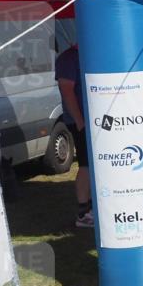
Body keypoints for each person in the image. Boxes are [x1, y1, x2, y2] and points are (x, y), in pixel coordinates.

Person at [54, 45, 92, 228]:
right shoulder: (68, 58)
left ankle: (92, 208)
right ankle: (83, 213)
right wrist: (79, 121)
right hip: (81, 121)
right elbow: (66, 89)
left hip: (95, 120)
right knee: (86, 164)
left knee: (94, 164)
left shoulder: (88, 53)